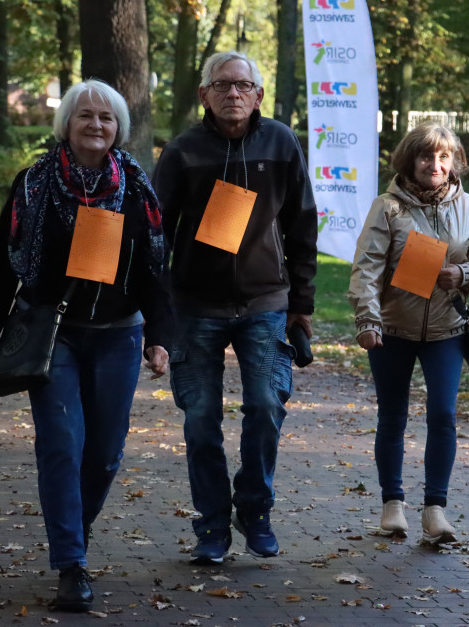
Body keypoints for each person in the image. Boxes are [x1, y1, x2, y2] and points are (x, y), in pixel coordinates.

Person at [0, 79, 173, 612]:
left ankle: (71, 530)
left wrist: (161, 337)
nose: (96, 125)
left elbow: (153, 269)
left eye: (106, 117)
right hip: (52, 338)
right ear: (66, 124)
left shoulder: (137, 186)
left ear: (118, 127)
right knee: (61, 445)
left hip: (118, 336)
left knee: (104, 456)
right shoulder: (33, 184)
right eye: (85, 116)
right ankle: (71, 564)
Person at [153, 51, 318, 565]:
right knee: (200, 419)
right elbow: (155, 236)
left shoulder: (281, 143)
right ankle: (212, 526)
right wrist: (158, 317)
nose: (233, 94)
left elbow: (303, 223)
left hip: (265, 301)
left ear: (259, 95)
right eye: (222, 85)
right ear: (204, 94)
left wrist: (302, 303)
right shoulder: (182, 151)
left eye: (243, 85)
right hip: (195, 307)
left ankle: (255, 508)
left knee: (267, 407)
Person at [347, 121, 469, 545]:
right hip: (391, 329)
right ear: (410, 160)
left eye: (444, 156)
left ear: (455, 162)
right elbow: (367, 268)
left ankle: (435, 511)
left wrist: (462, 273)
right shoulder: (387, 208)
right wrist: (368, 320)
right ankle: (392, 504)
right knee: (393, 416)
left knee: (443, 416)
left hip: (447, 330)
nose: (436, 164)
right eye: (427, 156)